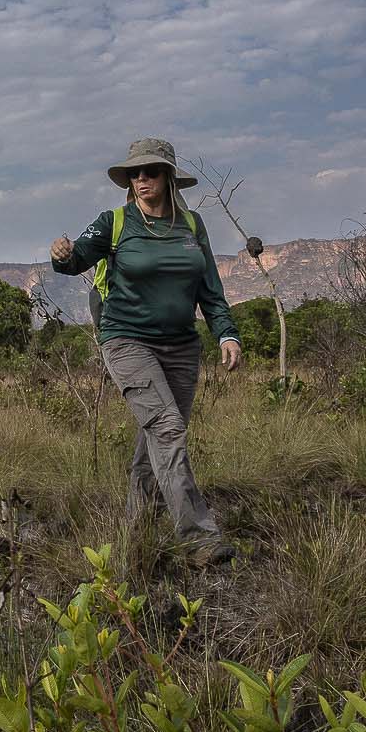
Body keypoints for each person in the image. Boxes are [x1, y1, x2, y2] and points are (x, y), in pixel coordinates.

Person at [49, 137, 242, 566]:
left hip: (181, 346)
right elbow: (76, 258)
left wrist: (227, 334)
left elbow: (210, 289)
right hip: (126, 339)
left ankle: (137, 529)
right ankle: (198, 539)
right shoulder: (114, 222)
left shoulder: (191, 226)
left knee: (155, 436)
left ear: (169, 177)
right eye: (134, 173)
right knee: (168, 428)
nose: (141, 179)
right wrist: (61, 255)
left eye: (150, 171)